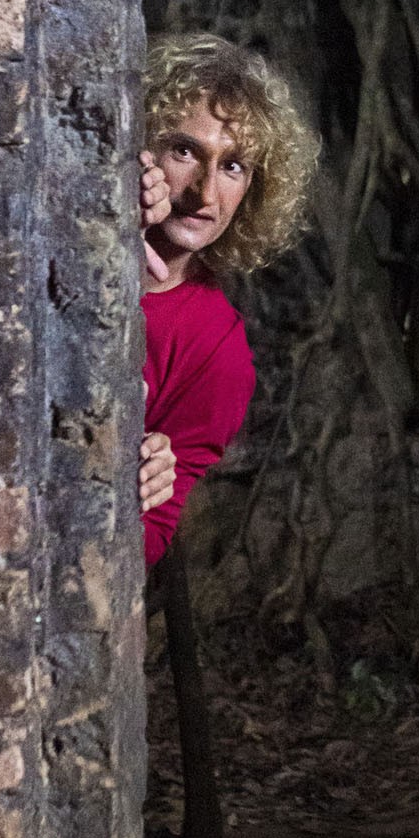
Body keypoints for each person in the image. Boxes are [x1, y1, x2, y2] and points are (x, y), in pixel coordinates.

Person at [137, 33, 318, 567]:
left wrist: (143, 478)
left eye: (234, 166)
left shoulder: (218, 352)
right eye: (185, 151)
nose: (205, 193)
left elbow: (146, 543)